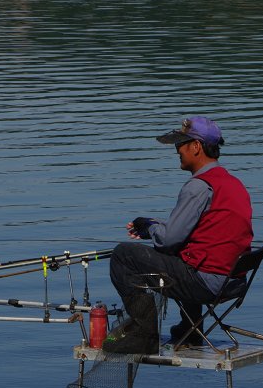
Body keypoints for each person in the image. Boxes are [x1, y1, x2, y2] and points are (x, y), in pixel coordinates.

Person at [102, 116, 253, 354]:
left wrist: (151, 229)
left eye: (181, 143)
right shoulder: (232, 183)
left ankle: (144, 334)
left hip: (207, 284)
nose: (177, 150)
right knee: (185, 254)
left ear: (196, 146)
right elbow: (197, 230)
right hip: (233, 281)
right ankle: (190, 330)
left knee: (123, 255)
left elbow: (169, 239)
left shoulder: (198, 186)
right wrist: (152, 225)